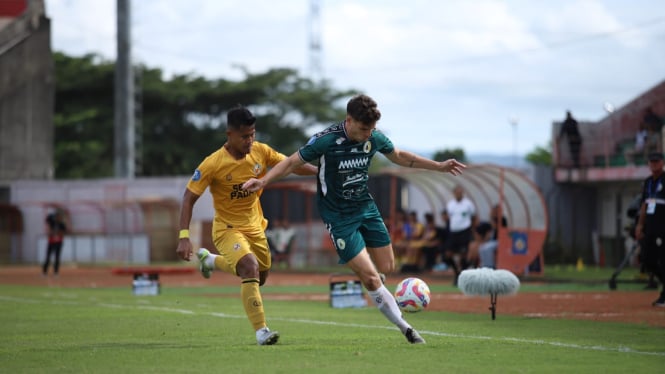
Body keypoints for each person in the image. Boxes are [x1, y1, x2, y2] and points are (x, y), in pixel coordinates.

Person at [242, 94, 465, 344]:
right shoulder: (325, 140)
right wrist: (263, 181)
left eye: (372, 129)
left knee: (387, 267)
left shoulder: (373, 136)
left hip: (366, 208)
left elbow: (402, 156)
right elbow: (292, 162)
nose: (369, 134)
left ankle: (369, 277)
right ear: (349, 120)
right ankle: (407, 329)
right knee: (371, 277)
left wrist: (439, 166)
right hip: (338, 217)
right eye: (363, 128)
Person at [175, 105, 317, 345]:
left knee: (259, 278)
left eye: (252, 134)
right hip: (227, 229)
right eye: (244, 136)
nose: (250, 140)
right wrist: (184, 236)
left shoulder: (261, 151)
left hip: (255, 227)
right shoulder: (213, 163)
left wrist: (319, 171)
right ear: (229, 134)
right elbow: (189, 197)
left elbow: (291, 164)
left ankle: (210, 260)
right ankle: (262, 331)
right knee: (249, 267)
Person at [635, 152, 665, 307]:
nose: (654, 164)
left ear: (662, 162)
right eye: (651, 162)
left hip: (663, 227)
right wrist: (640, 225)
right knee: (647, 259)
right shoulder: (647, 182)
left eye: (657, 161)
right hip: (651, 227)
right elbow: (644, 205)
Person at [441, 185, 477, 284]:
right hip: (454, 232)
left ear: (462, 193)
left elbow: (474, 217)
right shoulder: (450, 204)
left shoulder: (468, 204)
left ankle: (461, 275)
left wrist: (473, 231)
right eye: (457, 192)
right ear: (454, 193)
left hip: (465, 231)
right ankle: (457, 272)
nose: (458, 194)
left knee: (466, 254)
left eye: (460, 192)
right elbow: (448, 217)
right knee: (447, 254)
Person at [42, 208, 67, 276]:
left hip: (59, 242)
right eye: (58, 216)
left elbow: (63, 233)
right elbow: (47, 221)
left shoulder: (62, 224)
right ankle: (44, 272)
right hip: (51, 242)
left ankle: (56, 272)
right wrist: (51, 231)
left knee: (57, 257)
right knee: (48, 257)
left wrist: (57, 233)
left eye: (60, 216)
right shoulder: (52, 222)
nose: (59, 218)